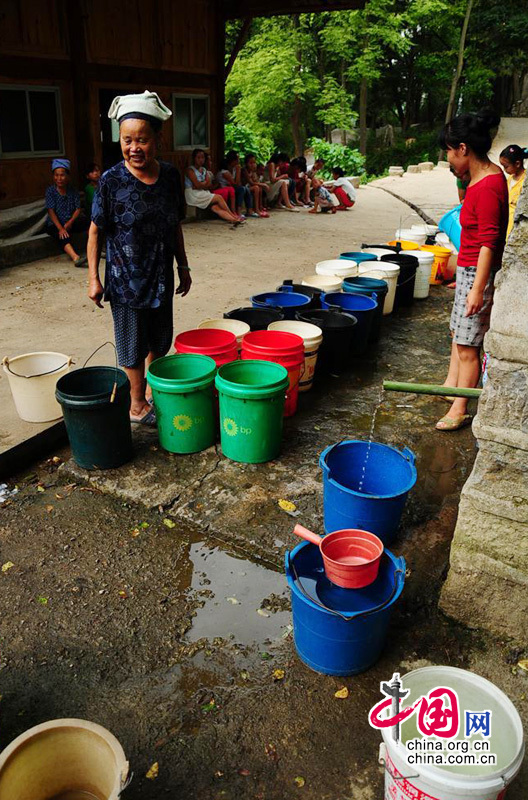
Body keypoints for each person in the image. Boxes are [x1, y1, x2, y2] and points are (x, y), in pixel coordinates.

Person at [87, 90, 192, 426]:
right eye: (127, 140)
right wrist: (93, 278)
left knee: (160, 339)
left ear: (156, 140)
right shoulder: (111, 181)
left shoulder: (171, 177)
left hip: (161, 275)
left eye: (142, 140)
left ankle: (150, 394)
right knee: (132, 343)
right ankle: (135, 405)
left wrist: (183, 266)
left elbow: (174, 224)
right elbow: (94, 232)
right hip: (125, 280)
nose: (134, 148)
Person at [437, 109, 508, 432]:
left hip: (477, 274)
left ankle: (460, 406)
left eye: (450, 152)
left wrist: (478, 289)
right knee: (458, 335)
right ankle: (452, 386)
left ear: (463, 148)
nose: (449, 160)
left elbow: (490, 242)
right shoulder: (478, 180)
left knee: (468, 346)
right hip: (466, 270)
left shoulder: (490, 185)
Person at [45, 158, 88, 267]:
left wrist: (70, 222)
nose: (59, 178)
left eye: (62, 175)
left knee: (89, 223)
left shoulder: (73, 190)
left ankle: (96, 248)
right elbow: (51, 211)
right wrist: (61, 228)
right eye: (56, 175)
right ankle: (76, 258)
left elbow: (78, 208)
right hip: (55, 224)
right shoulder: (50, 191)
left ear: (68, 176)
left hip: (70, 222)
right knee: (63, 235)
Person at [185, 149, 241, 224]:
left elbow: (208, 184)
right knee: (218, 197)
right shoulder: (190, 170)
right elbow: (198, 185)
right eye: (198, 158)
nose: (201, 160)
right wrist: (202, 184)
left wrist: (201, 184)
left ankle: (233, 219)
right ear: (194, 159)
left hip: (202, 192)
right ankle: (233, 215)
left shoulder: (204, 170)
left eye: (202, 158)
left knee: (215, 207)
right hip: (193, 194)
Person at [217, 151, 258, 219]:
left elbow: (237, 184)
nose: (239, 161)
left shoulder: (233, 169)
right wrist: (238, 171)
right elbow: (236, 184)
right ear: (233, 161)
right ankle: (238, 212)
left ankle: (249, 210)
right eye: (237, 159)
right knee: (242, 189)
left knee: (246, 189)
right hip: (225, 189)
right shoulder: (225, 172)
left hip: (231, 188)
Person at [499, 144, 528, 237]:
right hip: (507, 221)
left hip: (517, 226)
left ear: (517, 164)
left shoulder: (525, 181)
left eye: (506, 166)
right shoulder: (510, 178)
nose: (504, 170)